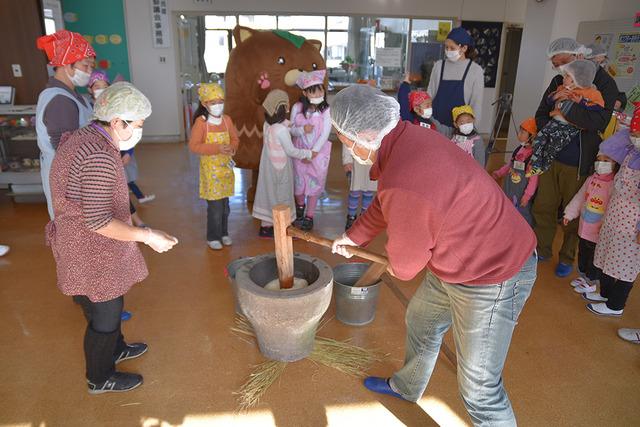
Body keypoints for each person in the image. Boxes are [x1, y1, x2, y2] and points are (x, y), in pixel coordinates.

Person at [330, 85, 537, 426]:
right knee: (422, 320)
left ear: (365, 134)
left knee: (480, 388)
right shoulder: (405, 139)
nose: (344, 146)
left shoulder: (404, 177)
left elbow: (406, 265)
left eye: (343, 138)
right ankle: (407, 386)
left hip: (494, 272)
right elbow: (386, 204)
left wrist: (395, 259)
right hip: (459, 258)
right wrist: (352, 236)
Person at [45, 82, 178, 393]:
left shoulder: (86, 137)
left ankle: (116, 349)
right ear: (117, 122)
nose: (139, 131)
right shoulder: (99, 156)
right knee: (106, 311)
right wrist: (147, 236)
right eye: (138, 125)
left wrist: (134, 217)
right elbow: (97, 220)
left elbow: (102, 196)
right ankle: (99, 377)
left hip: (80, 240)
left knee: (107, 303)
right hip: (90, 246)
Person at [532, 37, 620, 278]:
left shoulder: (604, 83)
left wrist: (566, 110)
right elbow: (541, 114)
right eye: (555, 65)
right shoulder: (558, 81)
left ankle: (567, 256)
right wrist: (549, 130)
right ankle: (541, 249)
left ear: (578, 57)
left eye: (562, 63)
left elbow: (599, 121)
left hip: (579, 159)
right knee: (544, 206)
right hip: (552, 155)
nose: (560, 70)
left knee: (572, 212)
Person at [582, 110, 640, 317]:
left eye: (639, 135)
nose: (635, 139)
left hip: (632, 227)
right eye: (634, 134)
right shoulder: (631, 152)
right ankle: (605, 295)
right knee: (606, 257)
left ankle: (616, 305)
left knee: (625, 267)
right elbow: (606, 147)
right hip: (614, 218)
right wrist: (628, 131)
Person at [36, 30, 96, 219]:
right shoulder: (59, 101)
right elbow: (66, 153)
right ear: (65, 65)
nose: (89, 71)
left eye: (91, 67)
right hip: (69, 181)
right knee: (74, 228)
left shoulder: (74, 95)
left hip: (80, 175)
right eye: (85, 65)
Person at [252, 90, 315, 238]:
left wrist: (301, 130)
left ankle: (266, 227)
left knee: (269, 194)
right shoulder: (280, 129)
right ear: (282, 108)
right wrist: (309, 153)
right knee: (282, 196)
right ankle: (283, 226)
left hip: (269, 168)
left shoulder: (268, 125)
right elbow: (292, 150)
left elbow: (289, 128)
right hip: (280, 170)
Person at [527, 60, 604, 176]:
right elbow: (548, 101)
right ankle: (535, 165)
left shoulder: (591, 92)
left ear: (577, 78)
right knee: (539, 140)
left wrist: (581, 101)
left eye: (567, 75)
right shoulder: (561, 87)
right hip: (554, 122)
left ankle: (544, 166)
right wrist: (555, 96)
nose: (563, 78)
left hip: (570, 127)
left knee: (553, 147)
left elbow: (598, 106)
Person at [188, 83, 239, 250]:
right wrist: (217, 148)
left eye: (220, 101)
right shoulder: (201, 124)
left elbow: (235, 139)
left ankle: (224, 233)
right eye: (213, 102)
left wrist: (231, 147)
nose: (218, 105)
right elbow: (194, 146)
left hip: (225, 170)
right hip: (210, 173)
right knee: (215, 208)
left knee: (225, 207)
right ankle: (213, 236)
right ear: (204, 104)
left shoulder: (227, 120)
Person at [562, 152, 618, 293]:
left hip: (598, 230)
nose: (601, 163)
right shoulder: (591, 179)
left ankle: (591, 281)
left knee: (594, 258)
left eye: (607, 160)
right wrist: (569, 213)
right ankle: (583, 276)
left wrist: (606, 225)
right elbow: (580, 197)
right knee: (583, 253)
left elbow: (612, 207)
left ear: (615, 163)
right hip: (584, 227)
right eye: (599, 159)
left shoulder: (613, 185)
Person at [289, 70, 331, 231]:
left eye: (320, 90)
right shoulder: (297, 108)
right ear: (304, 93)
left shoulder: (326, 110)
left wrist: (313, 152)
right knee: (298, 183)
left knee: (315, 183)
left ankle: (310, 215)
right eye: (313, 91)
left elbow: (325, 133)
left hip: (318, 154)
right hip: (298, 152)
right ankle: (300, 209)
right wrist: (301, 130)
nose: (318, 94)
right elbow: (291, 129)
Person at [428, 27, 484, 137]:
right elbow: (429, 95)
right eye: (446, 47)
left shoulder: (475, 70)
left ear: (464, 48)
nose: (448, 51)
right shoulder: (439, 66)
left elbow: (476, 104)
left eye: (452, 48)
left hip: (460, 130)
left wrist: (472, 131)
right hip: (436, 126)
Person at [492, 117, 539, 225]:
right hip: (510, 188)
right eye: (520, 132)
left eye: (523, 133)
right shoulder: (519, 149)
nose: (519, 135)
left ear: (532, 137)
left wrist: (527, 196)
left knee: (523, 212)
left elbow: (534, 180)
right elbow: (510, 165)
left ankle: (525, 233)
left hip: (522, 193)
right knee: (508, 208)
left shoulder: (534, 157)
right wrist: (499, 173)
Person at [342, 142, 377, 231]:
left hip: (373, 159)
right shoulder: (353, 127)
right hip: (356, 159)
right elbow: (347, 140)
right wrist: (347, 160)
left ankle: (364, 218)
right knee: (355, 190)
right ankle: (351, 217)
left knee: (369, 190)